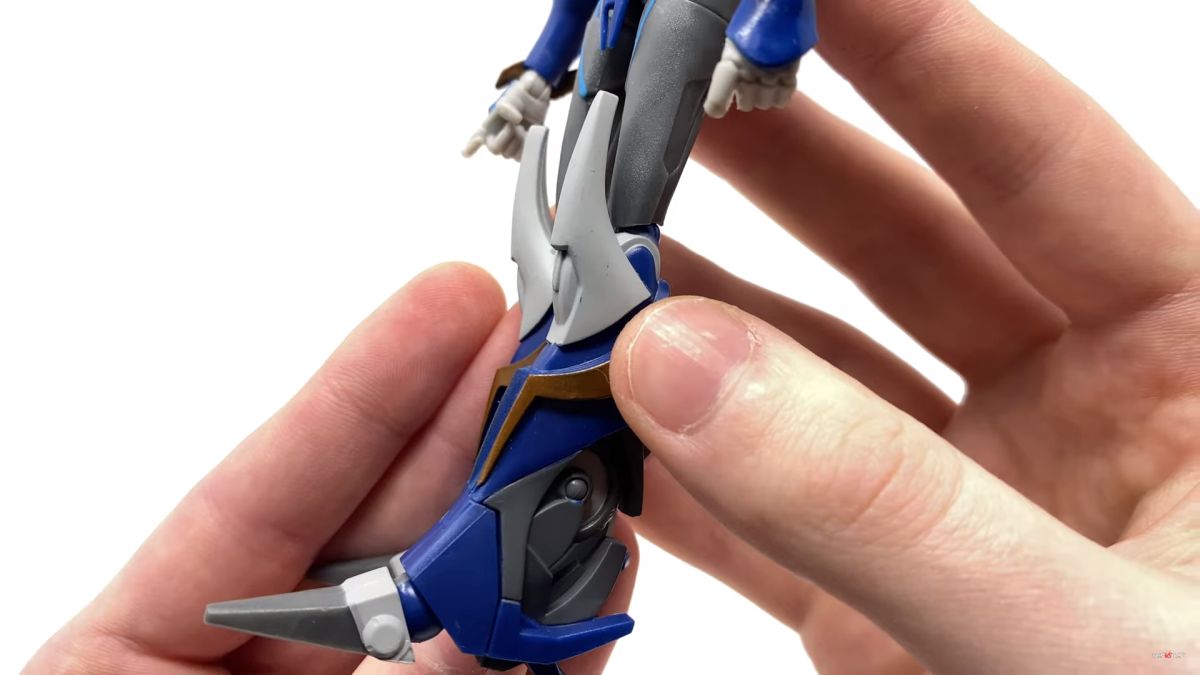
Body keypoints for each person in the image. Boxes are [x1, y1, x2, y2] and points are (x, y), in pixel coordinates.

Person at [26, 0, 1198, 672]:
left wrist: (772, 40)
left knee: (589, 294)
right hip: (601, 129)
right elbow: (567, 20)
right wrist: (532, 81)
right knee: (557, 302)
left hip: (642, 152)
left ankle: (444, 585)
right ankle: (447, 584)